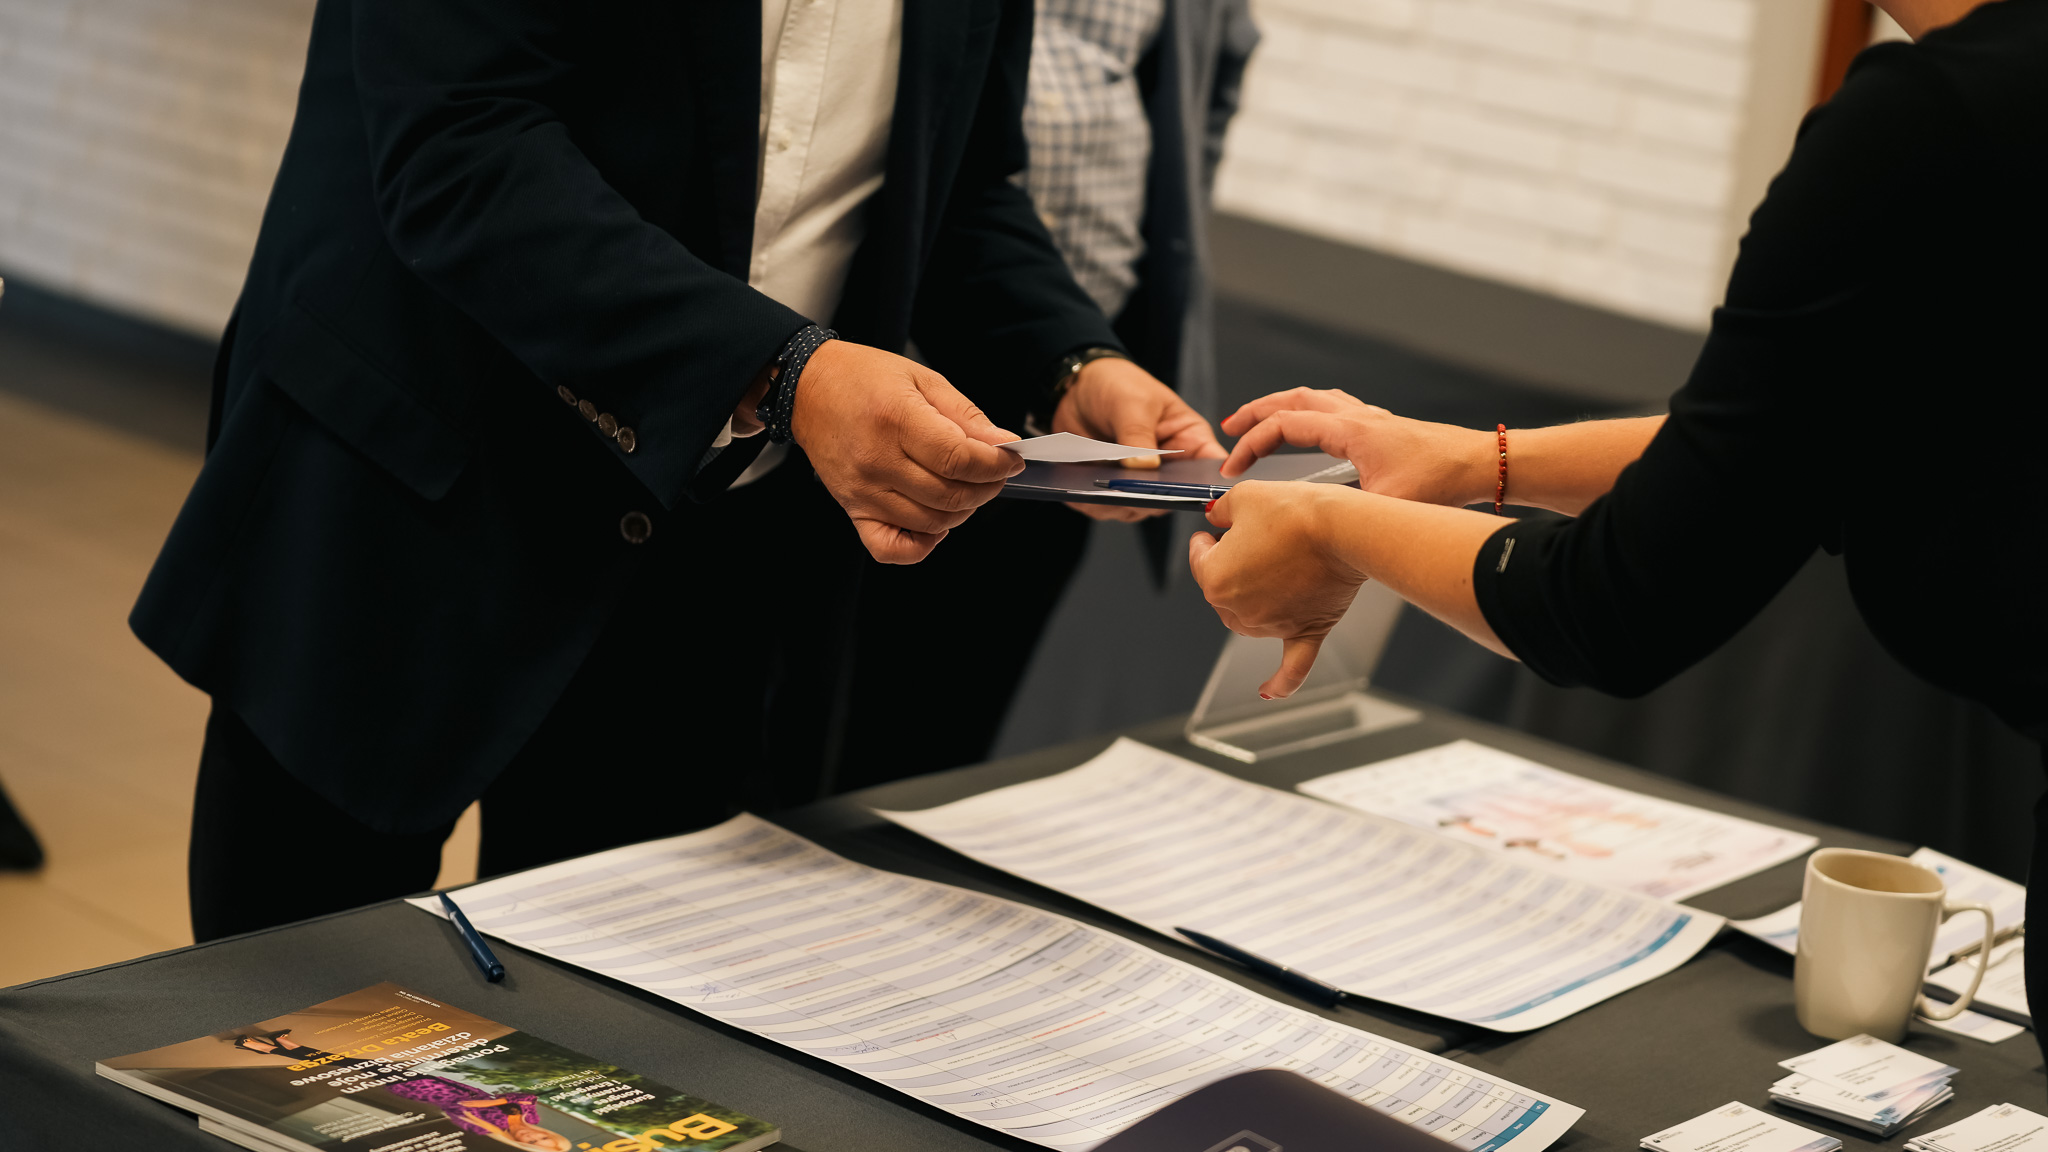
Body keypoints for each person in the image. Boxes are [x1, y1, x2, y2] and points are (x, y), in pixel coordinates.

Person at [136, 0, 1218, 941]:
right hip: (409, 496)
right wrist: (785, 371)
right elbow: (461, 147)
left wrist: (1070, 361)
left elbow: (961, 184)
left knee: (614, 1046)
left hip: (714, 553)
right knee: (287, 1018)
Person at [1187, 0, 2045, 1036]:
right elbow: (1787, 447)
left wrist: (1329, 532)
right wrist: (1472, 462)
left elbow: (1613, 604)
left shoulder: (1927, 123)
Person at [831, 0, 1257, 788]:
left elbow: (1212, 69)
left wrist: (1077, 357)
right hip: (861, 364)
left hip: (1060, 365)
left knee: (933, 756)